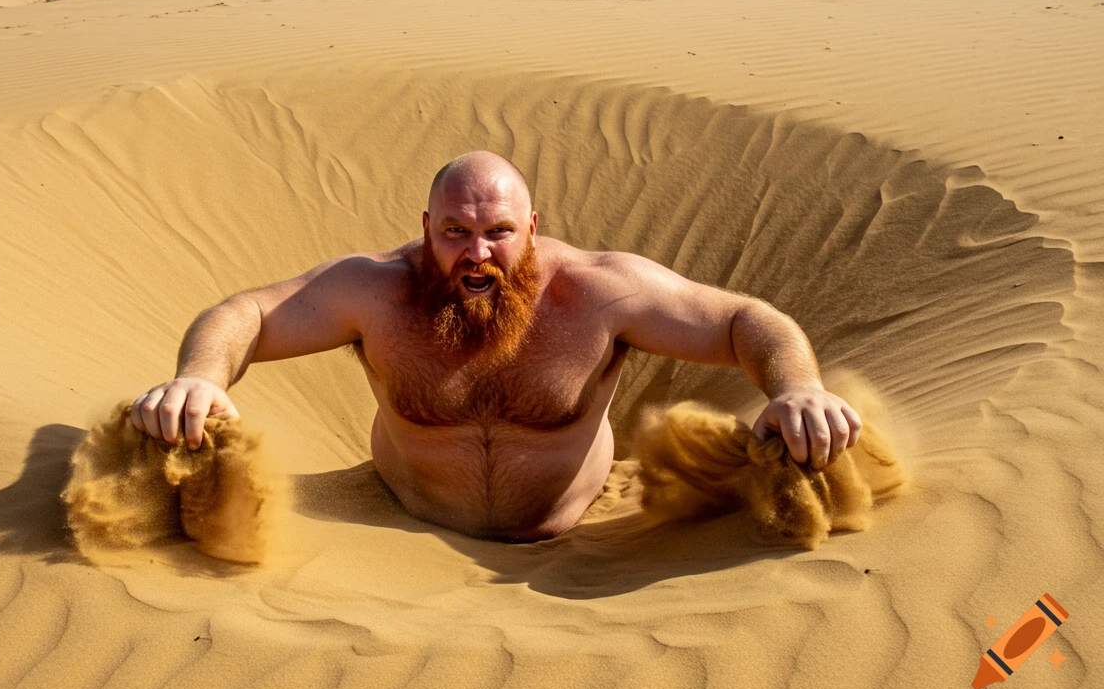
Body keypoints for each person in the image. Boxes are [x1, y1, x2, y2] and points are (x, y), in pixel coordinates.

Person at [131, 151, 862, 541]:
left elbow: (744, 320)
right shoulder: (376, 291)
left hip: (586, 539)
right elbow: (246, 313)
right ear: (427, 227)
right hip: (398, 535)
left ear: (531, 228)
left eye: (498, 233)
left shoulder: (600, 292)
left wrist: (794, 387)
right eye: (455, 232)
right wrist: (197, 377)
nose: (476, 253)